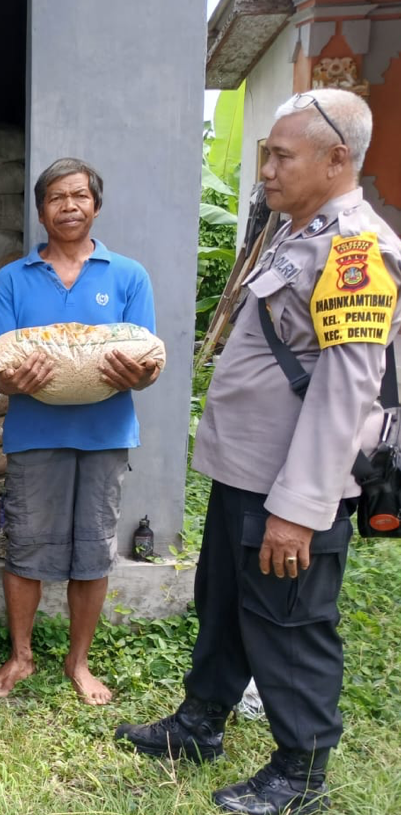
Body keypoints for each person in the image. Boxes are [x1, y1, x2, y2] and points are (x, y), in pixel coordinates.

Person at [116, 89, 399, 814]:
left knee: (290, 623)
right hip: (245, 473)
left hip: (290, 487)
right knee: (225, 604)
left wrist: (300, 511)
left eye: (280, 155)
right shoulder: (294, 230)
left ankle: (300, 771)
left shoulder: (355, 250)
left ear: (338, 159)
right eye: (266, 153)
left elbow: (345, 389)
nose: (264, 169)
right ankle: (201, 721)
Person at [0, 158, 159, 706]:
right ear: (41, 211)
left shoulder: (128, 275)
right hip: (35, 434)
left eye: (80, 196)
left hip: (105, 436)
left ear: (96, 206)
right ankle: (22, 655)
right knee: (26, 547)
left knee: (93, 552)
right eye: (57, 198)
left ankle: (77, 662)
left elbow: (147, 360)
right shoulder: (13, 278)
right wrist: (13, 379)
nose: (69, 206)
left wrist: (142, 373)